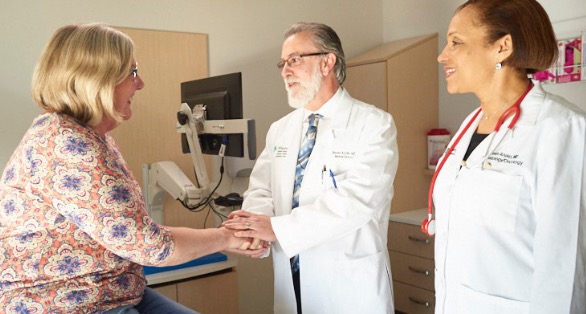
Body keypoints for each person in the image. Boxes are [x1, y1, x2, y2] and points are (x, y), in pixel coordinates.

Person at [0, 23, 264, 313]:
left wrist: (224, 240)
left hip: (115, 290)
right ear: (97, 78)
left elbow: (132, 230)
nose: (140, 84)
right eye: (132, 73)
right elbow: (152, 246)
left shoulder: (92, 138)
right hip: (66, 302)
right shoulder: (67, 145)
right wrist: (227, 237)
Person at [223, 22, 398, 313]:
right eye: (282, 63)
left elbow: (358, 200)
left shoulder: (374, 124)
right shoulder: (281, 129)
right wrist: (254, 228)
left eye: (295, 60)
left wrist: (276, 229)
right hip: (290, 278)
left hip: (348, 285)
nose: (285, 71)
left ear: (328, 61)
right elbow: (262, 189)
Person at [432, 0, 586, 313]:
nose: (442, 56)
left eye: (456, 42)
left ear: (502, 47)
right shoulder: (469, 124)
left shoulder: (561, 129)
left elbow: (563, 268)